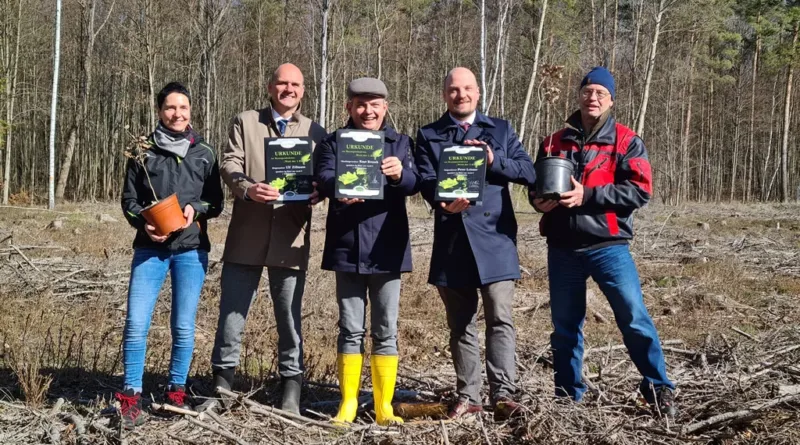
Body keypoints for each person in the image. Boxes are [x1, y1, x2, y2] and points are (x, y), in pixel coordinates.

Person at [530, 66, 677, 416]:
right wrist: (537, 200)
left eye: (600, 92)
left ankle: (658, 388)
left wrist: (589, 196)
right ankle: (567, 398)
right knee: (565, 327)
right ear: (578, 95)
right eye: (587, 91)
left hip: (608, 246)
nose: (592, 97)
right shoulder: (554, 141)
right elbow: (534, 188)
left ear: (611, 99)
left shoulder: (626, 140)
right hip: (562, 248)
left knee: (634, 317)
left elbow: (641, 191)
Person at [415, 67, 535, 421]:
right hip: (453, 242)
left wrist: (494, 160)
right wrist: (441, 201)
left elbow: (528, 172)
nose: (461, 94)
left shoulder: (500, 129)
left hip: (496, 240)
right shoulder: (429, 134)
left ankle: (504, 395)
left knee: (500, 318)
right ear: (444, 94)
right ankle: (468, 395)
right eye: (453, 89)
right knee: (460, 324)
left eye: (467, 88)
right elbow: (424, 178)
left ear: (478, 92)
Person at [211, 63, 327, 415]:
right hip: (247, 233)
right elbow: (229, 163)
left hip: (290, 238)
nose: (288, 89)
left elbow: (323, 177)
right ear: (270, 86)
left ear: (303, 90)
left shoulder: (315, 132)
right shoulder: (246, 122)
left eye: (295, 84)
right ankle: (222, 384)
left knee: (289, 317)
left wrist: (318, 192)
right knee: (231, 314)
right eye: (282, 83)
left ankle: (291, 388)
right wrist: (247, 188)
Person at [118, 82, 223, 429]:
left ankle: (175, 390)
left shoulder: (205, 152)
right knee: (136, 323)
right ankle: (131, 394)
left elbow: (216, 201)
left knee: (183, 326)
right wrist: (143, 223)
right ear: (159, 111)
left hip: (191, 251)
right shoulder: (141, 151)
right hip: (150, 250)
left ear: (191, 111)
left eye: (183, 108)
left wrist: (196, 208)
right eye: (170, 108)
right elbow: (129, 201)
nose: (177, 114)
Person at [315, 77, 420, 425]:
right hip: (347, 247)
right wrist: (337, 187)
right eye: (360, 104)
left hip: (387, 248)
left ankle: (383, 407)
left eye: (375, 104)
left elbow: (414, 183)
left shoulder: (401, 143)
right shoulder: (332, 142)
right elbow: (324, 176)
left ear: (385, 107)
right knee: (349, 328)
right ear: (349, 107)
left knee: (386, 329)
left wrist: (398, 174)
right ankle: (347, 403)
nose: (367, 110)